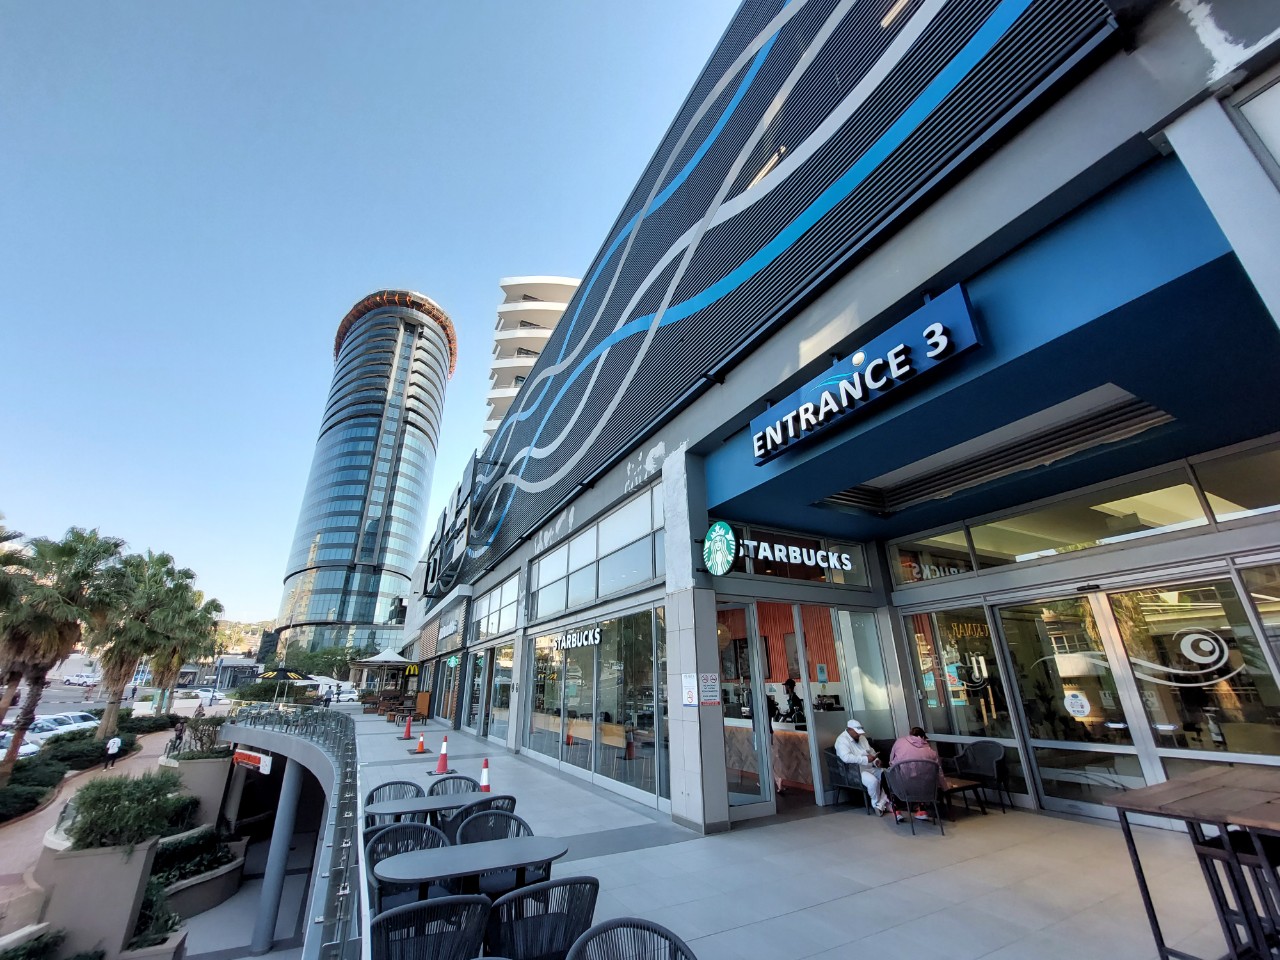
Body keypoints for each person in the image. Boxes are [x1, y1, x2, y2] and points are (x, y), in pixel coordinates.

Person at [888, 726, 945, 823]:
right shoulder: (931, 751)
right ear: (923, 737)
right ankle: (922, 810)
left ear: (910, 734)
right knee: (921, 778)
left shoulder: (899, 742)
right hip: (926, 788)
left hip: (903, 786)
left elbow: (891, 762)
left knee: (887, 775)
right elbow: (938, 771)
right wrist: (944, 787)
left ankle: (896, 810)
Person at [835, 718, 890, 814]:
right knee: (873, 782)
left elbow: (871, 751)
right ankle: (876, 804)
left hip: (869, 767)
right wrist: (865, 759)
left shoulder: (862, 738)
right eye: (857, 733)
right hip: (854, 771)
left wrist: (875, 760)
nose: (859, 735)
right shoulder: (841, 740)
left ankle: (881, 805)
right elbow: (846, 758)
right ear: (850, 729)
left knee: (887, 774)